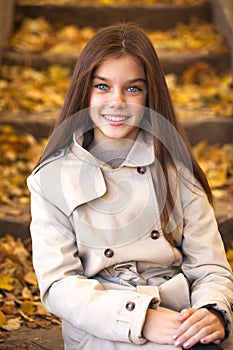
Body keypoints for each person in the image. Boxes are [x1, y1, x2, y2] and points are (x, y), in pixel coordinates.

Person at [27, 22, 233, 350]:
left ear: (151, 94)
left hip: (180, 321)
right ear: (84, 91)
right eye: (103, 87)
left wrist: (212, 311)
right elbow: (59, 285)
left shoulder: (175, 169)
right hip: (102, 328)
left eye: (133, 89)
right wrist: (142, 319)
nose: (117, 102)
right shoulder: (50, 179)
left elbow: (210, 267)